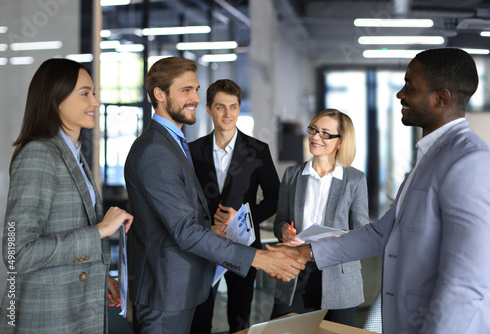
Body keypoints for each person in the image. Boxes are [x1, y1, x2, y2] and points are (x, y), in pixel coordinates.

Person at [291, 48, 490, 333]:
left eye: (410, 88)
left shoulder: (471, 162)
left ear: (441, 98)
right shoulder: (429, 157)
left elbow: (466, 283)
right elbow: (383, 232)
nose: (400, 94)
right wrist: (307, 253)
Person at [124, 57, 305, 333]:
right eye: (186, 90)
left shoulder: (172, 143)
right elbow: (184, 230)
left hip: (185, 281)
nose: (195, 98)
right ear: (160, 95)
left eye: (196, 90)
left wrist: (214, 229)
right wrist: (259, 258)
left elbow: (180, 218)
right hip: (167, 292)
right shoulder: (157, 150)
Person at [0, 58, 133, 333]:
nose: (95, 102)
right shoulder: (38, 154)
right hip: (50, 316)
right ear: (55, 98)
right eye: (85, 93)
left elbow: (66, 228)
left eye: (93, 93)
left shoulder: (73, 153)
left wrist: (101, 274)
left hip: (76, 309)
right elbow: (17, 253)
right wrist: (99, 231)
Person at [189, 79, 280, 333]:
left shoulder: (257, 150)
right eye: (220, 107)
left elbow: (275, 196)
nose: (227, 114)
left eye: (233, 107)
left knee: (239, 317)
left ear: (239, 108)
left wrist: (245, 217)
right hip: (204, 244)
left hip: (244, 243)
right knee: (200, 316)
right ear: (208, 109)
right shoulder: (192, 151)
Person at [270, 109, 369, 326]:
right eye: (313, 130)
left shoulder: (355, 180)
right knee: (281, 329)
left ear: (340, 142)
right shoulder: (292, 175)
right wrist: (285, 230)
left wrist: (343, 237)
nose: (316, 137)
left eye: (325, 133)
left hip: (339, 278)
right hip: (296, 272)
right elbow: (281, 221)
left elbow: (363, 235)